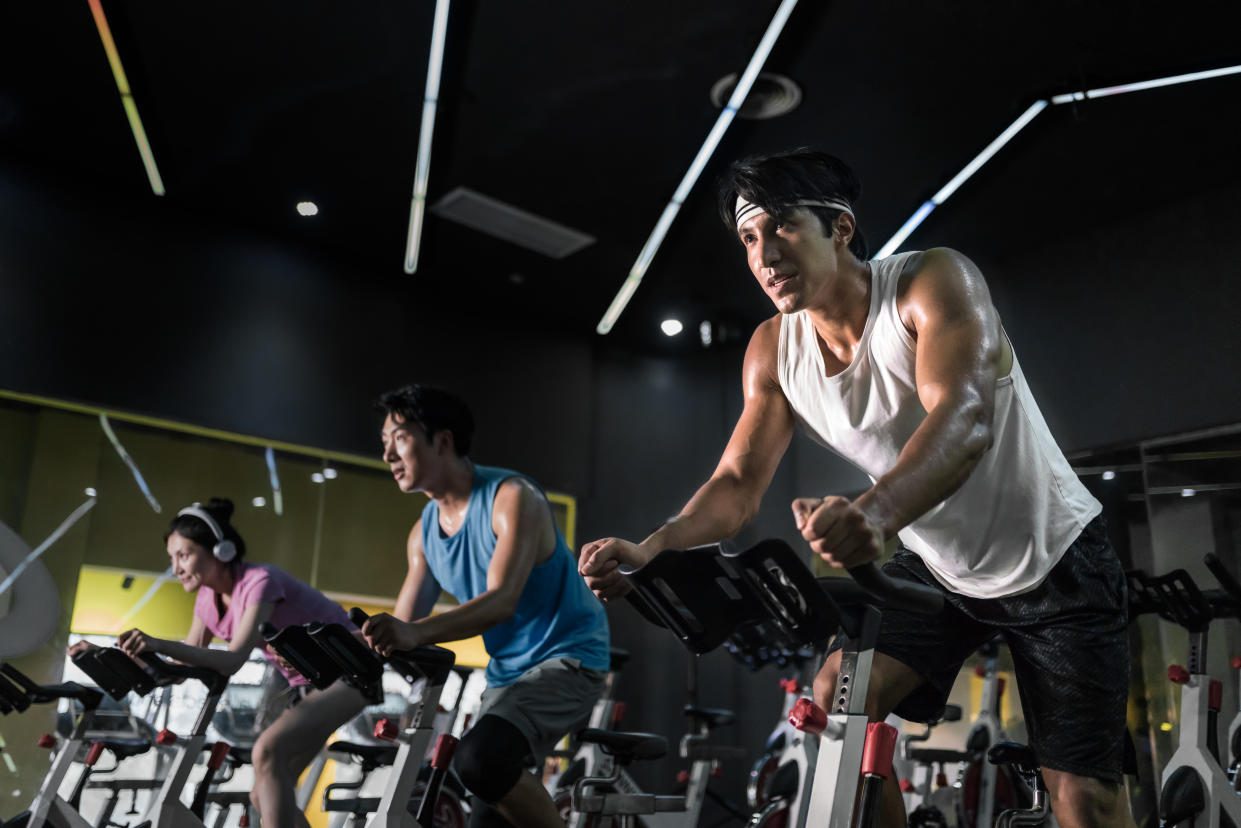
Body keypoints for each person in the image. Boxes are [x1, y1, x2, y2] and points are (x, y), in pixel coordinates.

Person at [579, 148, 1134, 827]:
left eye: (781, 226)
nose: (763, 254)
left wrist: (873, 513)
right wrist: (652, 548)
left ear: (838, 228)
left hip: (1052, 560)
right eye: (749, 238)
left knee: (1083, 799)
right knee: (835, 706)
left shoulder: (931, 281)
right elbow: (734, 484)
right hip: (936, 568)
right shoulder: (772, 350)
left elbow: (962, 421)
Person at [361, 384, 610, 828]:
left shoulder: (512, 497)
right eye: (384, 443)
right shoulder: (423, 534)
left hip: (569, 659)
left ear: (442, 440)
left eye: (399, 438)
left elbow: (500, 602)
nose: (388, 456)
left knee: (480, 762)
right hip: (507, 676)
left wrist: (414, 633)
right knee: (486, 808)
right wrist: (339, 647)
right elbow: (400, 625)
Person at [69, 498, 368, 828]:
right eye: (172, 558)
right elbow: (176, 669)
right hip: (308, 686)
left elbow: (233, 659)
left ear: (221, 550)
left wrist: (156, 642)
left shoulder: (260, 581)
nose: (177, 567)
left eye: (184, 555)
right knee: (262, 795)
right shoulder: (207, 601)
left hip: (352, 669)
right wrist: (105, 653)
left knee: (266, 754)